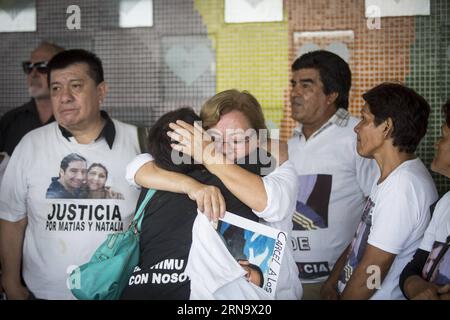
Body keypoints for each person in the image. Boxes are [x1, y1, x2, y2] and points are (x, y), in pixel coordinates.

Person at [127, 89, 302, 299]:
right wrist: (192, 185)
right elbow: (137, 166)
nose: (225, 149)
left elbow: (271, 203)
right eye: (213, 140)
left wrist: (210, 157)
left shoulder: (277, 169)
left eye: (237, 140)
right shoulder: (200, 171)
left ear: (259, 138)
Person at [0, 49, 141, 300]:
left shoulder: (137, 142)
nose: (64, 97)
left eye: (75, 86)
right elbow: (12, 218)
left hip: (118, 293)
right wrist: (10, 282)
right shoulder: (30, 145)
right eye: (55, 88)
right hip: (43, 295)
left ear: (101, 92)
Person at [120, 107, 261, 300]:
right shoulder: (233, 182)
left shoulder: (149, 187)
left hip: (137, 291)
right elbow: (273, 153)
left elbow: (136, 167)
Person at [321, 82, 438, 300]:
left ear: (386, 127)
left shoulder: (402, 187)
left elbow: (372, 271)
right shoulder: (392, 177)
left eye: (364, 119)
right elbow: (360, 240)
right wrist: (332, 282)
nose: (357, 127)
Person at [288, 50, 379, 299]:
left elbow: (379, 214)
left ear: (332, 94)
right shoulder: (289, 144)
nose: (294, 92)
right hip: (287, 282)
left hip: (334, 285)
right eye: (293, 84)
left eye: (306, 85)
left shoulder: (357, 137)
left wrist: (342, 276)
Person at [399, 100, 450, 300]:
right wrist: (417, 287)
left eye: (444, 136)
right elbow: (412, 269)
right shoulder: (445, 202)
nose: (437, 143)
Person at [0, 41, 64, 156]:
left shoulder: (76, 121)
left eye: (42, 66)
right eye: (29, 67)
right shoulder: (10, 122)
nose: (33, 74)